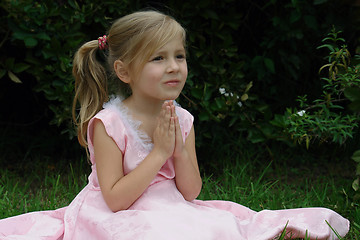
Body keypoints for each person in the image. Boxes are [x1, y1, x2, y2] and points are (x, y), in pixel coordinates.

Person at [0, 10, 349, 240]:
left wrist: (179, 150)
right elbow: (116, 199)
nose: (173, 67)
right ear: (124, 71)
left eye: (179, 56)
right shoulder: (108, 124)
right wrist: (159, 154)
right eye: (158, 58)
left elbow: (191, 192)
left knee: (215, 226)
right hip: (116, 211)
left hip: (169, 204)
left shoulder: (180, 118)